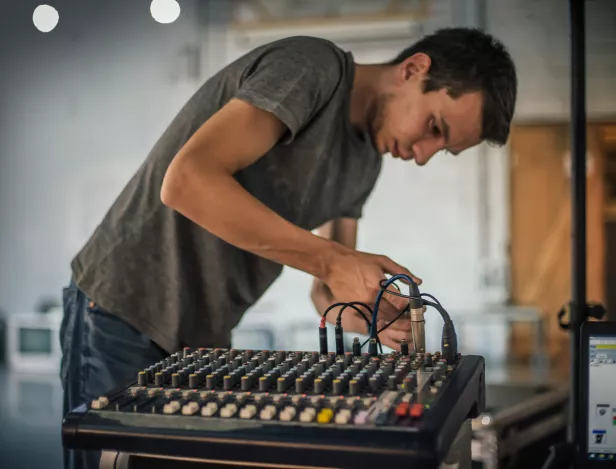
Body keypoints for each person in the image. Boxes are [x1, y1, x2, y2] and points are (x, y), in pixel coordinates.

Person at [60, 27, 517, 469]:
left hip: (199, 342)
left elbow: (325, 292)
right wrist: (334, 262)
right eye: (433, 127)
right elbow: (186, 182)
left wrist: (366, 311)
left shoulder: (365, 164)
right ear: (414, 69)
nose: (422, 154)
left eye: (442, 149)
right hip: (122, 308)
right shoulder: (310, 67)